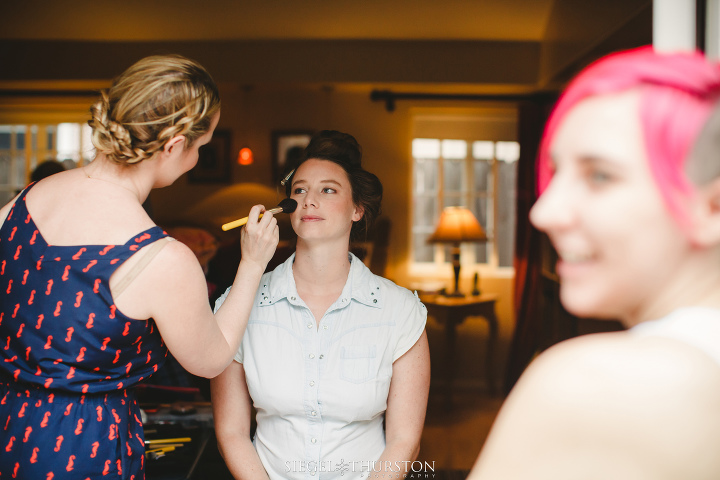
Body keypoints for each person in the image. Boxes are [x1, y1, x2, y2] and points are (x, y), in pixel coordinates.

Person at [0, 55, 279, 479]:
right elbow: (210, 359)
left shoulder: (19, 205)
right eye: (201, 148)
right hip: (80, 446)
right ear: (173, 146)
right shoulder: (161, 258)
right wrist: (253, 263)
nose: (197, 158)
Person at [467, 46, 720, 479]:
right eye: (555, 171)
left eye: (599, 176)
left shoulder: (594, 383)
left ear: (712, 208)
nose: (543, 213)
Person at [211, 130, 431, 480]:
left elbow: (404, 441)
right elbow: (231, 432)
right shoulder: (239, 306)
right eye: (299, 190)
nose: (309, 200)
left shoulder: (400, 312)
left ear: (358, 209)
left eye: (328, 190)